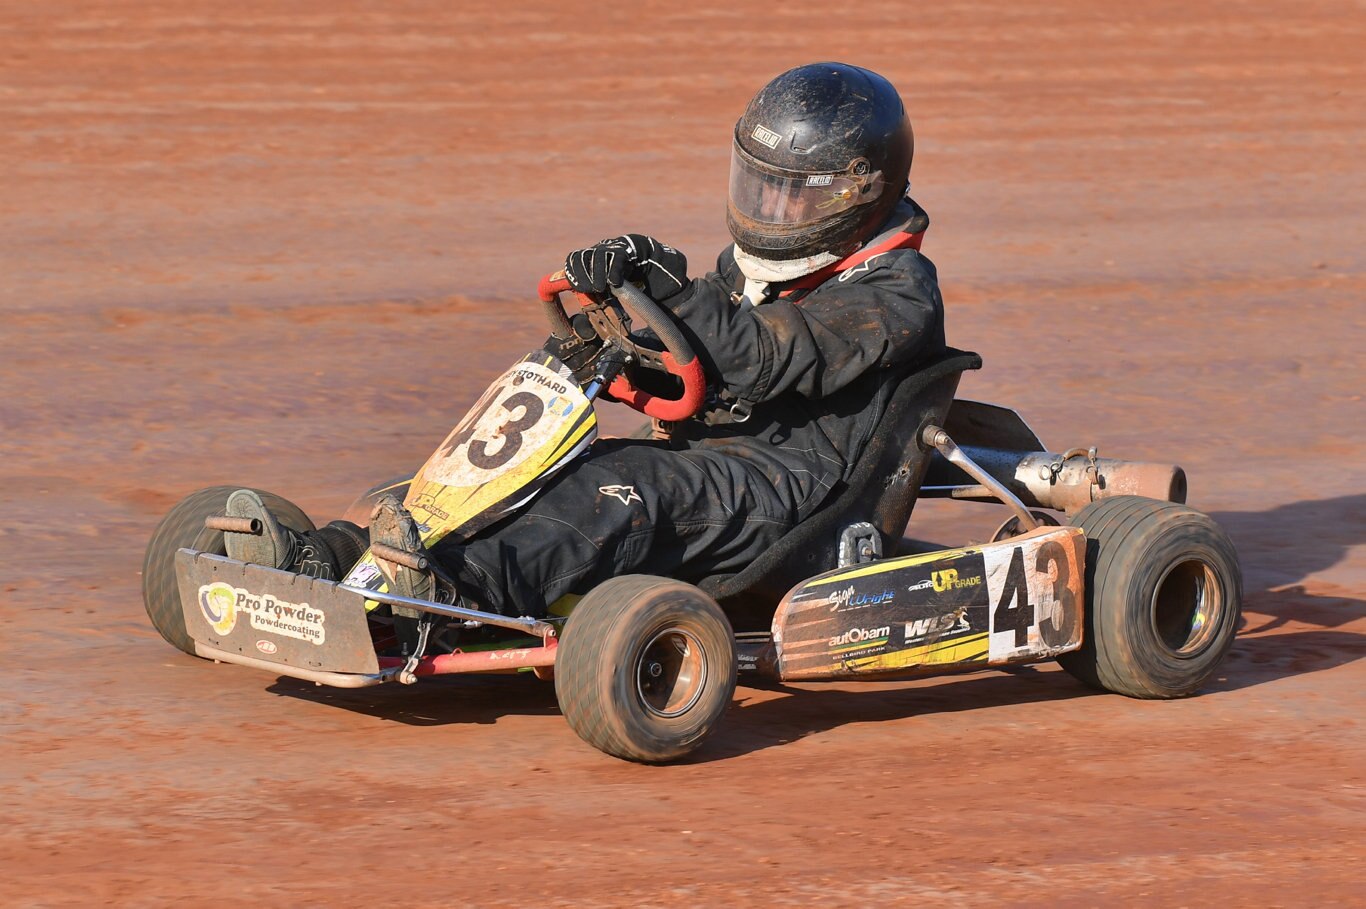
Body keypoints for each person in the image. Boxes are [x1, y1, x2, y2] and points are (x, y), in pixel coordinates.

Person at [224, 62, 947, 623]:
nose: (772, 212)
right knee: (533, 476)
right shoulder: (766, 268)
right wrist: (619, 327)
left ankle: (450, 594)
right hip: (707, 456)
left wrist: (675, 290)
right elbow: (703, 358)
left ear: (860, 192)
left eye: (795, 196)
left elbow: (765, 356)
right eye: (761, 189)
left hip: (787, 491)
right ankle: (331, 556)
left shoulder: (895, 294)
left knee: (619, 496)